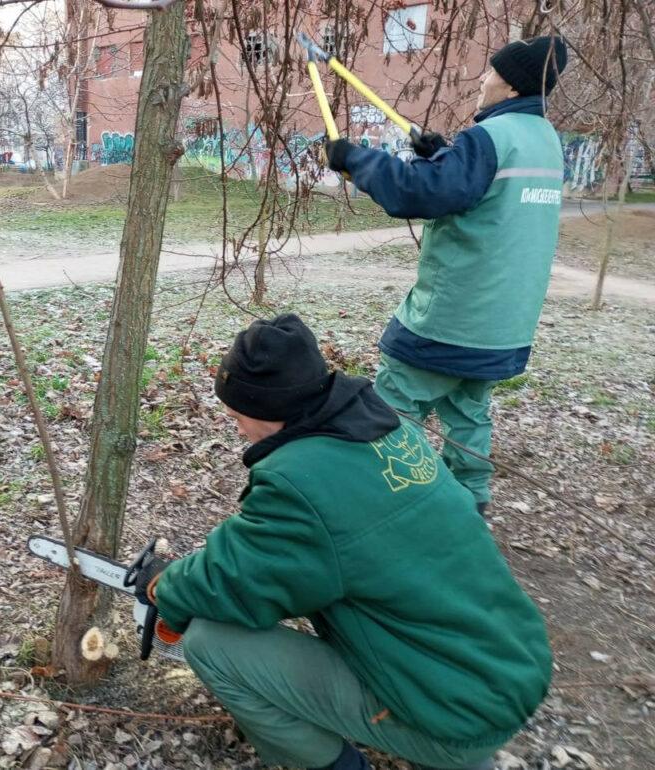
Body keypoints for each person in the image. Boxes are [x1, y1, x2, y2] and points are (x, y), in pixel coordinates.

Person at [135, 314, 551, 770]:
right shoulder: (389, 429)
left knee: (210, 644)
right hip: (510, 668)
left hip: (452, 711)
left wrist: (166, 589)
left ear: (265, 410)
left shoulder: (301, 485)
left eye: (237, 417)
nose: (237, 430)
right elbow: (279, 552)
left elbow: (230, 581)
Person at [322, 37, 569, 514]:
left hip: (452, 318)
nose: (482, 79)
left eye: (490, 73)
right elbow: (480, 194)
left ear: (512, 83)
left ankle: (398, 500)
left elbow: (418, 194)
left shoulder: (491, 139)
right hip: (505, 326)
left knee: (395, 406)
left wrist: (355, 159)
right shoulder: (544, 139)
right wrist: (442, 155)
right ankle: (469, 503)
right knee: (468, 412)